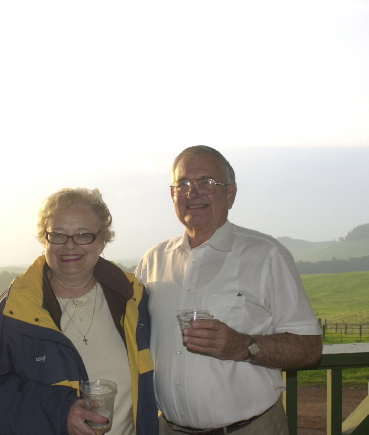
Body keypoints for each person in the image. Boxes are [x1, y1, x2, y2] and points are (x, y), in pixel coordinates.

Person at [135, 146, 322, 435]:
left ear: (230, 194)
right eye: (182, 184)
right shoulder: (153, 260)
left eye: (206, 183)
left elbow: (309, 347)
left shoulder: (266, 255)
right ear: (172, 195)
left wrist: (241, 346)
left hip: (249, 429)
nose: (192, 193)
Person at [0, 187, 158, 435]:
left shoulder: (132, 299)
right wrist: (58, 412)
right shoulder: (16, 308)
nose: (69, 246)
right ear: (44, 240)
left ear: (102, 241)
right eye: (58, 235)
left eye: (83, 235)